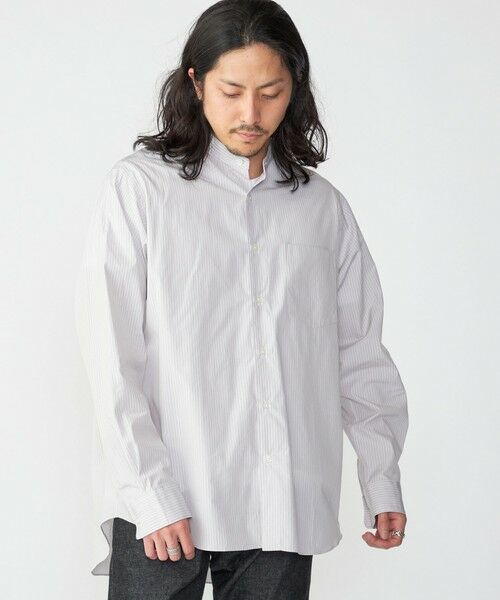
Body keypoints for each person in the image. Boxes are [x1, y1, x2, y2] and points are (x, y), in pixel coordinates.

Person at [74, 1, 408, 598]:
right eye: (231, 91)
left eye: (270, 93)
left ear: (294, 89)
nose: (250, 114)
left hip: (282, 500)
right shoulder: (140, 189)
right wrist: (150, 491)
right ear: (197, 82)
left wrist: (381, 477)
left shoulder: (321, 208)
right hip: (169, 495)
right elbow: (112, 357)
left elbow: (357, 350)